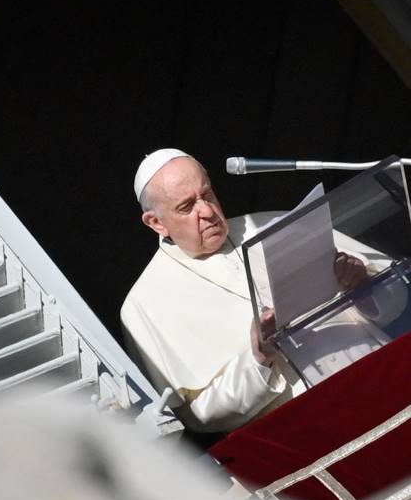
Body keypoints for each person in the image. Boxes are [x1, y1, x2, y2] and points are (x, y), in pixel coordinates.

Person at [120, 149, 368, 434]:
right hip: (312, 426)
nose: (208, 212)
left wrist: (362, 284)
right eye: (187, 207)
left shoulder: (273, 223)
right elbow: (200, 416)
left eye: (207, 195)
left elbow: (395, 293)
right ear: (156, 222)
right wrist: (259, 357)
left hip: (380, 372)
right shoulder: (145, 304)